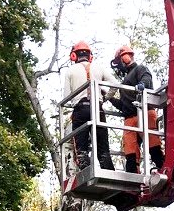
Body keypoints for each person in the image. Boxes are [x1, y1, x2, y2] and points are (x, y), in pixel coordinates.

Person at [107, 45, 164, 174]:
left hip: (144, 112)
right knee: (130, 151)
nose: (118, 66)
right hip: (130, 117)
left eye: (118, 62)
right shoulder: (125, 82)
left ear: (125, 57)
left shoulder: (140, 69)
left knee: (153, 145)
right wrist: (109, 98)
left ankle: (163, 167)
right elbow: (123, 105)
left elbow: (146, 79)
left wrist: (142, 85)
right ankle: (133, 174)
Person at [62, 41, 116, 170]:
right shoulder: (99, 68)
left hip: (80, 109)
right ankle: (107, 171)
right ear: (89, 56)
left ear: (74, 56)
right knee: (103, 146)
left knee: (81, 147)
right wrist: (105, 98)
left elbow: (66, 97)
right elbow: (114, 84)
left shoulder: (70, 71)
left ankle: (85, 172)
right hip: (97, 108)